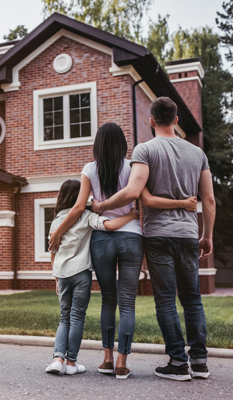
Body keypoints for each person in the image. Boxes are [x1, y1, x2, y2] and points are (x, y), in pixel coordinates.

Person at [48, 122, 196, 379]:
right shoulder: (133, 166)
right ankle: (121, 364)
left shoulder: (89, 169)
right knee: (127, 303)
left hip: (102, 240)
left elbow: (78, 208)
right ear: (123, 145)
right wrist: (134, 214)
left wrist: (59, 231)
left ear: (97, 144)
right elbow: (144, 197)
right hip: (131, 237)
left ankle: (106, 360)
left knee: (108, 299)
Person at [91, 97, 216, 381]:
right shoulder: (198, 153)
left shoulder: (145, 150)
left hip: (158, 235)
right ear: (176, 120)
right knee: (192, 299)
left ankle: (177, 362)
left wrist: (102, 205)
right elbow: (208, 198)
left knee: (165, 301)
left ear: (151, 121)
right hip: (187, 235)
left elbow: (134, 192)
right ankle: (199, 361)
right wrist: (206, 234)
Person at [46, 179, 140, 376]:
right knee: (77, 316)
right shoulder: (87, 216)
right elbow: (112, 225)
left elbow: (52, 252)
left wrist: (56, 278)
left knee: (65, 317)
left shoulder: (56, 221)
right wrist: (132, 214)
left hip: (62, 275)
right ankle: (71, 363)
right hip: (81, 274)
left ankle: (57, 359)